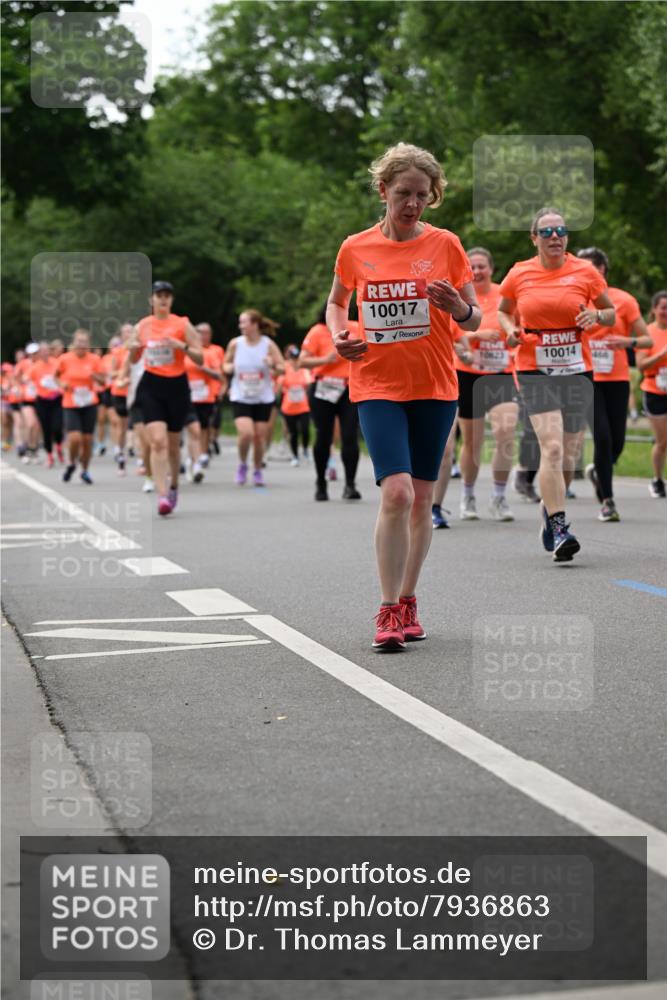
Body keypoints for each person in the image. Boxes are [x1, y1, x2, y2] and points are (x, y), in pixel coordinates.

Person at [327, 142, 480, 650]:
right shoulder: (355, 248)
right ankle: (388, 608)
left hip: (436, 386)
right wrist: (338, 335)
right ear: (382, 191)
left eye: (422, 195)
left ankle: (410, 597)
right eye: (403, 194)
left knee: (419, 501)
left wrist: (459, 307)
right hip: (376, 383)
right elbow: (336, 303)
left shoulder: (447, 245)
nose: (412, 204)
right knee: (396, 492)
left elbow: (474, 317)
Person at [498, 207, 615, 561]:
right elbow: (504, 311)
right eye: (546, 232)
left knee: (569, 455)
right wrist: (510, 331)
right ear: (534, 238)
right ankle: (561, 527)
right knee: (550, 449)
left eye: (561, 230)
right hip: (535, 368)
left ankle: (550, 510)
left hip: (577, 369)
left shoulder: (585, 271)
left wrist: (596, 315)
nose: (555, 237)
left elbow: (609, 311)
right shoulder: (519, 273)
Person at [575, 247, 653, 520]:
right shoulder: (574, 298)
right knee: (603, 437)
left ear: (602, 270)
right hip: (586, 376)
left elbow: (647, 340)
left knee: (617, 440)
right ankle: (608, 501)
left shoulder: (624, 300)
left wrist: (627, 342)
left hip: (617, 378)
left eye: (590, 269)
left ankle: (599, 471)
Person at [127, 281, 203, 515]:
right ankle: (161, 496)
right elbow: (133, 359)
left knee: (172, 443)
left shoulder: (182, 323)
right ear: (151, 299)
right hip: (151, 385)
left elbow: (200, 358)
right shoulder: (143, 325)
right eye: (158, 295)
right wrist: (133, 348)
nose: (163, 299)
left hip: (177, 387)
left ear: (171, 300)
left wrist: (181, 345)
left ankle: (173, 486)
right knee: (157, 441)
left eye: (167, 296)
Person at [454, 247, 518, 521]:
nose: (477, 271)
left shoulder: (506, 294)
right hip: (468, 374)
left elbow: (519, 330)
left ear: (491, 269)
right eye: (473, 267)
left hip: (501, 372)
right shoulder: (458, 296)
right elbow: (451, 337)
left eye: (482, 266)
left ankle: (499, 496)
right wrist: (471, 342)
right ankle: (467, 495)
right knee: (472, 441)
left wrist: (514, 342)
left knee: (506, 432)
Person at [299, 304, 361, 500]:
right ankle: (320, 483)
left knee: (350, 435)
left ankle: (350, 485)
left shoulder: (356, 327)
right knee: (323, 436)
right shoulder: (318, 331)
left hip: (349, 388)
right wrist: (325, 360)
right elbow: (302, 361)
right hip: (323, 389)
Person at [223, 309, 285, 487]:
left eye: (244, 322)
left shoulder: (268, 345)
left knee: (259, 437)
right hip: (240, 395)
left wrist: (272, 364)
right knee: (246, 434)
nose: (241, 325)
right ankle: (242, 464)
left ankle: (257, 469)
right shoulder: (236, 344)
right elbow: (225, 363)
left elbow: (282, 367)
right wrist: (229, 368)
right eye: (240, 322)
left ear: (255, 324)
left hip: (263, 396)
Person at [54, 329, 107, 483]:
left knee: (87, 440)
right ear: (74, 343)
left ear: (88, 344)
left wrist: (94, 376)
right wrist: (62, 384)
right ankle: (71, 462)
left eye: (84, 342)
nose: (82, 345)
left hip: (89, 402)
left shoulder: (95, 359)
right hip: (71, 402)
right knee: (75, 438)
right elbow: (56, 376)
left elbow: (103, 382)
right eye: (79, 341)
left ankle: (85, 470)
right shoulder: (65, 359)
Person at [637, 290, 667, 497]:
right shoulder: (646, 333)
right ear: (654, 309)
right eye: (663, 307)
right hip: (654, 390)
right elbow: (640, 365)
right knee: (662, 440)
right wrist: (663, 354)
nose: (666, 311)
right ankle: (657, 480)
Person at [194, 323, 226, 466]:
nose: (203, 336)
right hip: (188, 395)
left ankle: (205, 449)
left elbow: (221, 373)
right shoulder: (188, 351)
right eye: (200, 332)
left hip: (209, 394)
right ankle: (196, 454)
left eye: (206, 333)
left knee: (207, 425)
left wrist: (223, 389)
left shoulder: (215, 351)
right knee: (193, 426)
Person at [31, 341, 64, 468]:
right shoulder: (35, 367)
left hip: (56, 400)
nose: (44, 353)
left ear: (49, 352)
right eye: (42, 351)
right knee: (46, 429)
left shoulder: (56, 364)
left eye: (46, 350)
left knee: (57, 426)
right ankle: (49, 455)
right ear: (39, 353)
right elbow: (28, 380)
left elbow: (63, 377)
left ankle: (59, 446)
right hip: (42, 402)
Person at [279, 344, 311, 466]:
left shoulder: (304, 369)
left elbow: (308, 384)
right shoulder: (285, 368)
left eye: (297, 358)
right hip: (289, 408)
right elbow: (280, 386)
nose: (295, 361)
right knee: (293, 432)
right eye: (293, 358)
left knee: (305, 430)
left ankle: (305, 450)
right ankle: (295, 456)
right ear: (289, 358)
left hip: (303, 406)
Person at [109, 325, 134, 475]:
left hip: (136, 392)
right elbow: (112, 374)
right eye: (126, 332)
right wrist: (124, 374)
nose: (129, 334)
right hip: (120, 392)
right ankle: (120, 451)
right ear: (122, 335)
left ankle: (142, 460)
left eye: (132, 332)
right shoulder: (117, 352)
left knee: (138, 425)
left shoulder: (139, 350)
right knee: (123, 425)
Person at [15, 343, 41, 462]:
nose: (34, 355)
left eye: (36, 352)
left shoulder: (41, 363)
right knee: (30, 424)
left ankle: (33, 449)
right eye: (32, 353)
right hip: (26, 398)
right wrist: (18, 388)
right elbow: (15, 377)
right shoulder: (23, 364)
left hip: (40, 398)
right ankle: (25, 449)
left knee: (37, 426)